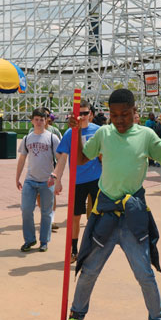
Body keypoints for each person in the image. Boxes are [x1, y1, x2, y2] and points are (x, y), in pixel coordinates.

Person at [61, 89, 161, 320]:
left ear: (134, 111)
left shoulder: (146, 135)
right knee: (88, 271)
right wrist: (78, 132)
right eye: (114, 115)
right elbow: (81, 159)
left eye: (125, 114)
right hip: (104, 212)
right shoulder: (104, 133)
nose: (120, 120)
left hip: (132, 215)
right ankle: (75, 317)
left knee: (144, 274)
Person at [53, 101, 102, 263]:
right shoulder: (70, 133)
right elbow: (62, 157)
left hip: (97, 180)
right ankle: (74, 249)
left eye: (85, 113)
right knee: (75, 217)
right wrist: (57, 179)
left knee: (95, 217)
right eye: (78, 114)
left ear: (91, 115)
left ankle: (92, 249)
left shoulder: (99, 131)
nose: (82, 117)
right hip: (77, 180)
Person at [17, 108, 60, 252]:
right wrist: (17, 177)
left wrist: (55, 176)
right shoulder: (27, 138)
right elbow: (22, 158)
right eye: (36, 119)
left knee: (46, 212)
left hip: (47, 180)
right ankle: (29, 240)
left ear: (46, 121)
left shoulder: (52, 138)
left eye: (42, 119)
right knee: (26, 210)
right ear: (32, 121)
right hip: (30, 180)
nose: (39, 122)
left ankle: (44, 241)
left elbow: (60, 159)